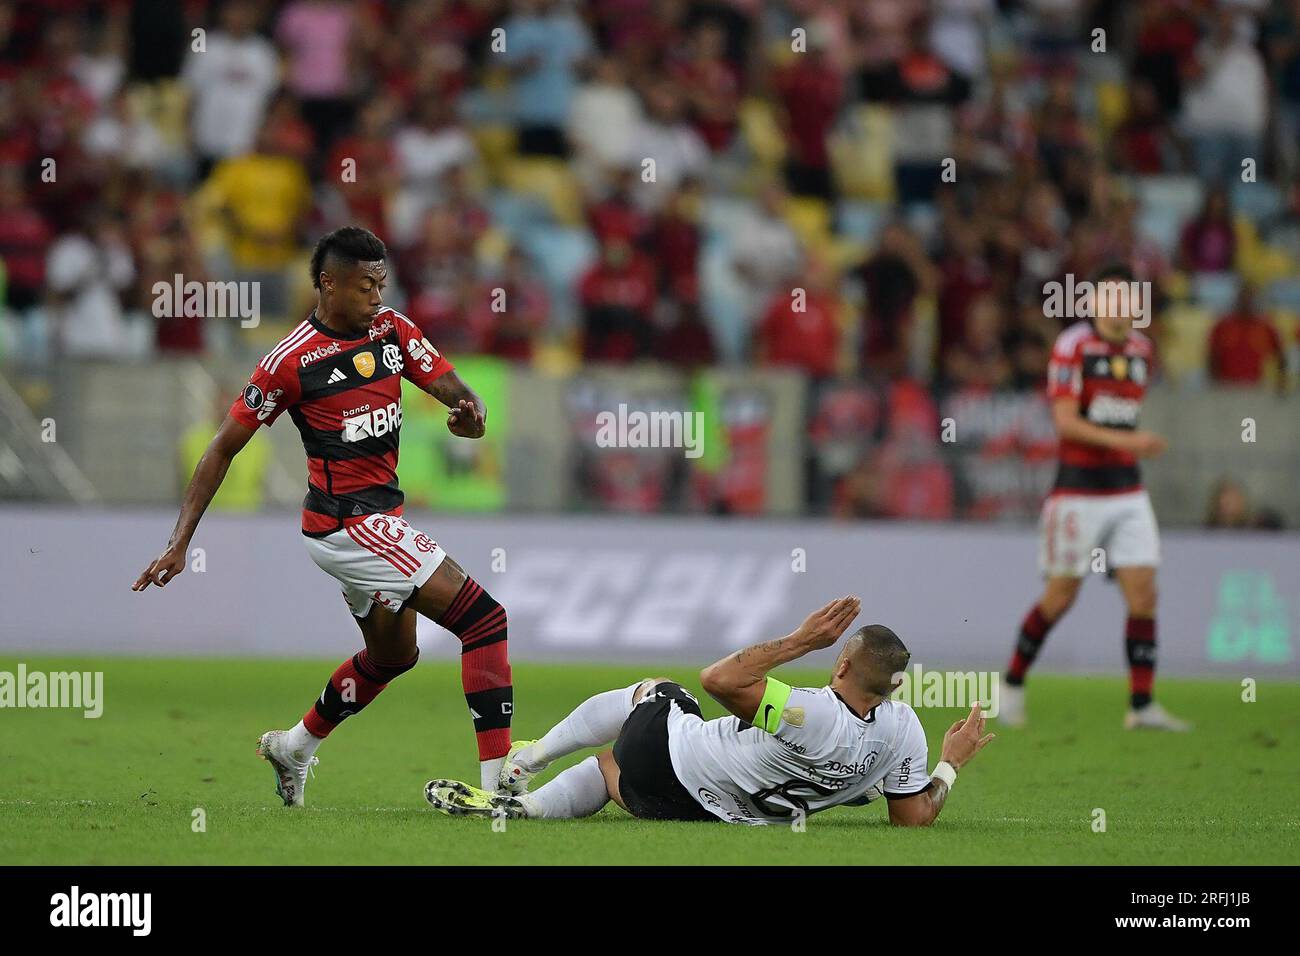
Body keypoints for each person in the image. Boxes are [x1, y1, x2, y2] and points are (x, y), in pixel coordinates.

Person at [132, 227, 515, 805]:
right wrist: (179, 542)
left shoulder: (392, 330)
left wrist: (472, 414)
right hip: (348, 525)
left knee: (393, 657)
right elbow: (221, 449)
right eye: (365, 287)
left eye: (382, 284)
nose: (377, 297)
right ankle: (497, 789)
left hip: (372, 520)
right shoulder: (290, 363)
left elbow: (455, 390)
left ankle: (293, 747)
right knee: (485, 621)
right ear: (328, 284)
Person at [427, 597, 994, 826]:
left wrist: (801, 641)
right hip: (707, 811)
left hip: (672, 758)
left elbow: (720, 678)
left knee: (663, 692)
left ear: (843, 664)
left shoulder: (806, 714)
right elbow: (913, 817)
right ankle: (522, 810)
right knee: (606, 771)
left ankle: (529, 760)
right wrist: (950, 764)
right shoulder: (904, 733)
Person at [1001, 265, 1189, 731]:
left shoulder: (1143, 350)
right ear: (1093, 305)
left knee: (1144, 592)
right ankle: (1011, 685)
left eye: (1126, 299)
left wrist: (1129, 448)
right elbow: (1065, 422)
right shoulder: (1073, 347)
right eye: (1109, 298)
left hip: (1127, 489)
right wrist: (1132, 443)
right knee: (1061, 597)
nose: (1118, 307)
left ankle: (1142, 704)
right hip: (1077, 491)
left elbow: (1119, 416)